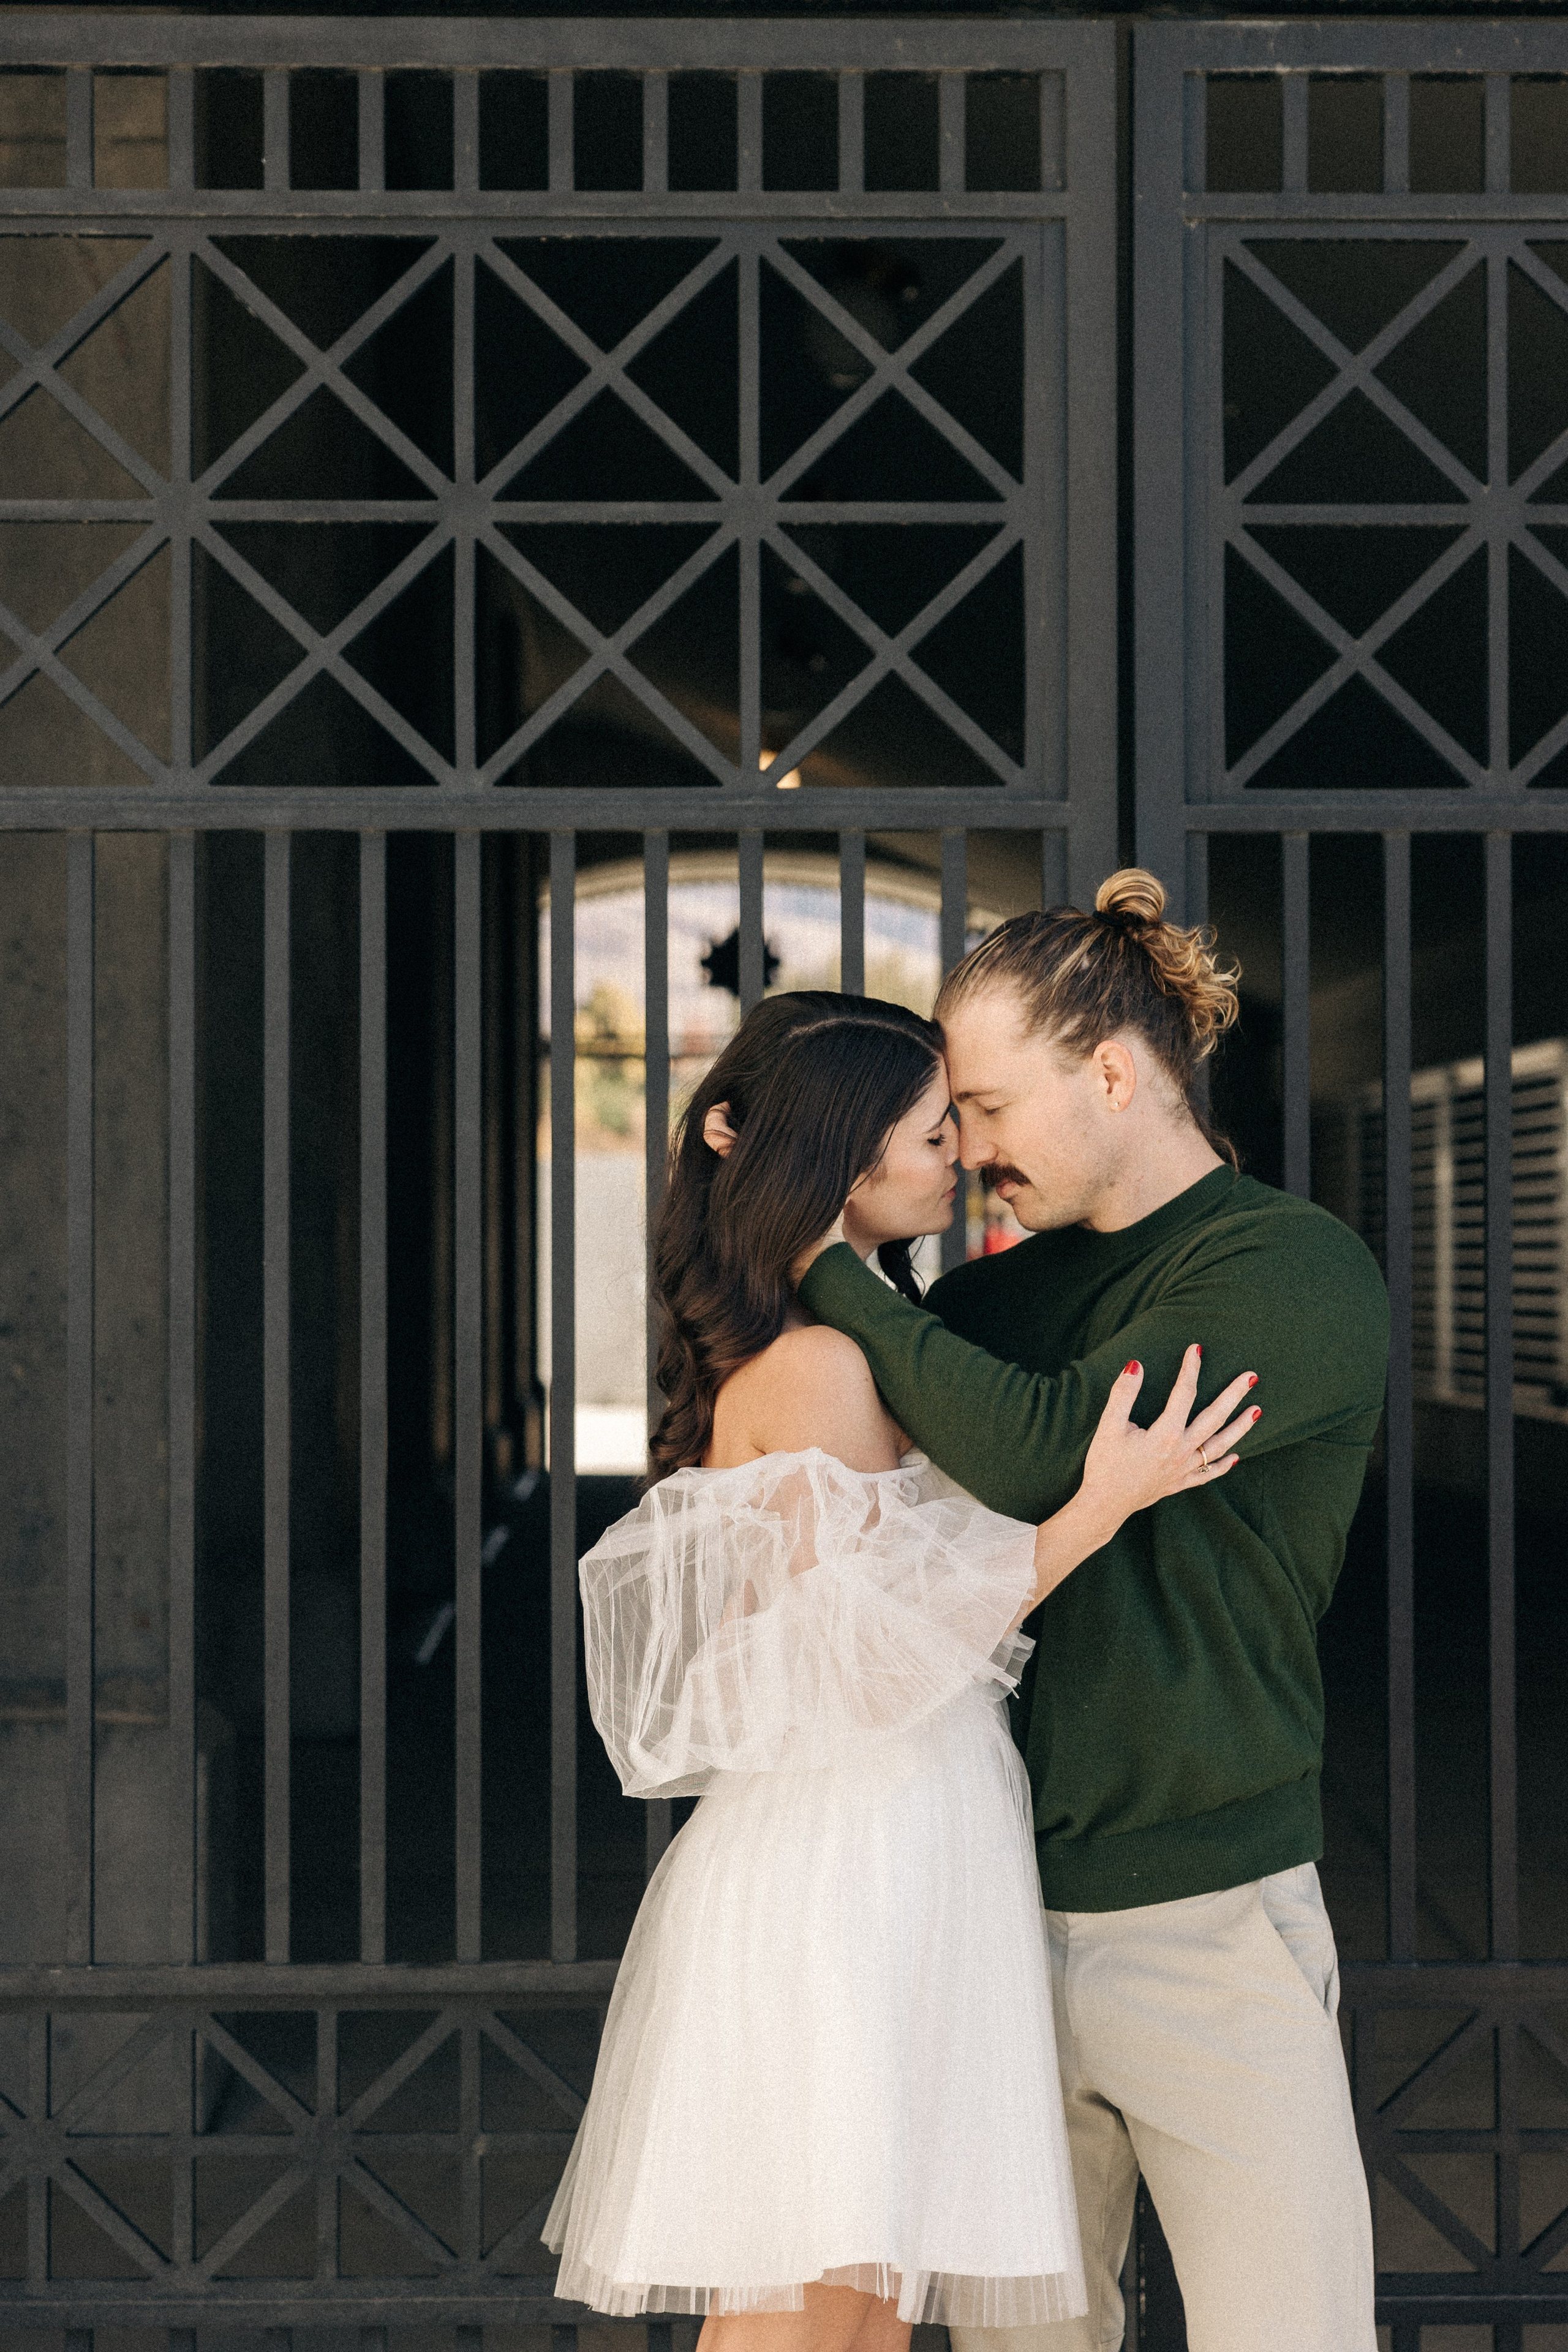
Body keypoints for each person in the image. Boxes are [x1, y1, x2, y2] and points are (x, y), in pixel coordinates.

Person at [545, 992, 1261, 2352]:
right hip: (845, 1869)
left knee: (864, 2307)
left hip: (899, 1845)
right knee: (811, 2307)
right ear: (840, 1159)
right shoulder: (815, 1364)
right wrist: (1097, 1503)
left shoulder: (846, 1339)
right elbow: (864, 1659)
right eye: (934, 1133)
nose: (962, 1158)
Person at [793, 872, 1390, 2352]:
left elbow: (1040, 1448)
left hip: (1205, 1918)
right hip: (989, 1906)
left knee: (1287, 2334)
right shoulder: (992, 1309)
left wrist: (817, 1260)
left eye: (985, 1107)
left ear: (1113, 1073)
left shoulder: (1287, 1268)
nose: (966, 1150)